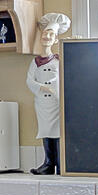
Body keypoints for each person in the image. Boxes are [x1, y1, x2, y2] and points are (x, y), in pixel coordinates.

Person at [27, 12, 71, 175]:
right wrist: (41, 88)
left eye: (51, 34)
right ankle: (48, 163)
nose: (47, 36)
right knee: (46, 130)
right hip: (42, 103)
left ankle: (61, 165)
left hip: (56, 102)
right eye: (45, 33)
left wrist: (56, 90)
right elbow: (29, 80)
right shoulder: (35, 62)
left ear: (56, 40)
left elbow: (63, 79)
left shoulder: (58, 60)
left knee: (58, 131)